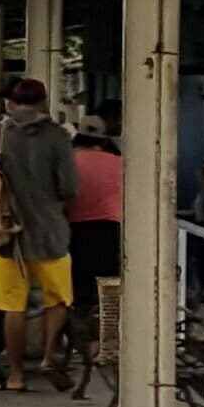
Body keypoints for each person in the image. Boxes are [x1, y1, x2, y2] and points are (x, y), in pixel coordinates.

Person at [0, 79, 79, 393]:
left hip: (5, 236)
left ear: (11, 103)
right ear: (43, 101)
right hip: (50, 233)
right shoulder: (58, 136)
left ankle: (16, 374)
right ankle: (50, 356)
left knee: (13, 305)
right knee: (58, 299)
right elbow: (69, 188)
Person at [67, 116, 122, 317]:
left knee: (79, 292)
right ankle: (105, 337)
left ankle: (82, 337)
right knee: (107, 291)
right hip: (110, 231)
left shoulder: (69, 161)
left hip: (75, 232)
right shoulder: (120, 163)